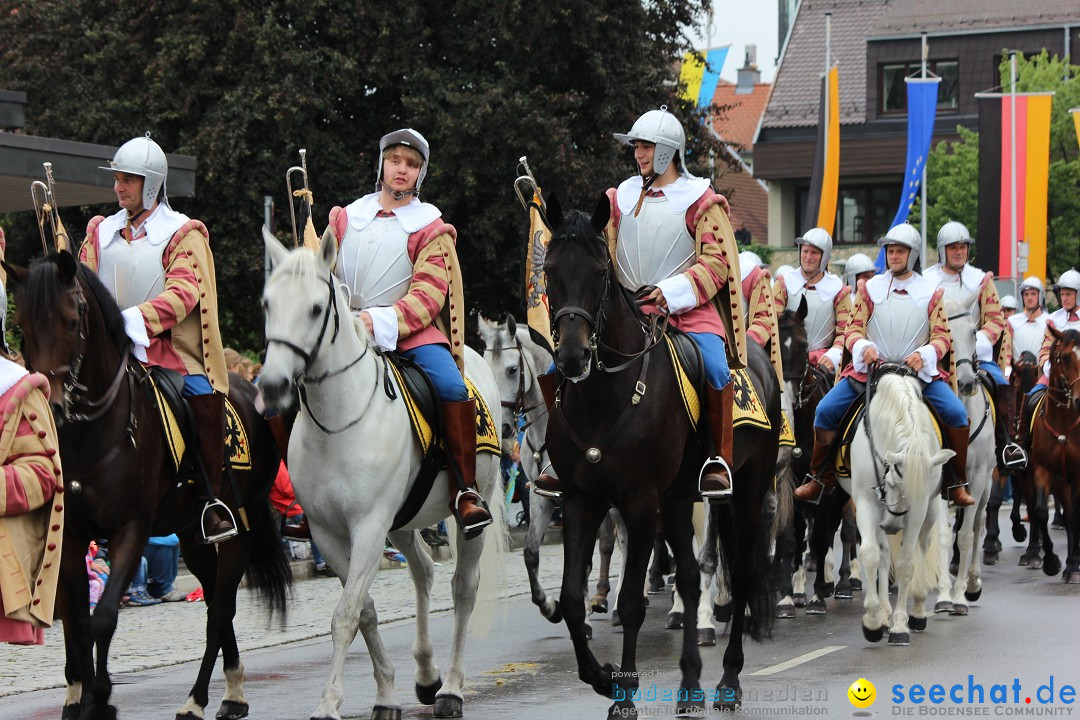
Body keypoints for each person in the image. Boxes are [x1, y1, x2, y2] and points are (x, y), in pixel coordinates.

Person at [536, 107, 745, 500]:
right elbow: (597, 248)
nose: (638, 154)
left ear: (667, 150)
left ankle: (717, 460)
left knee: (716, 367)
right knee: (555, 365)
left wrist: (672, 291)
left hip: (688, 311)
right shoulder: (619, 196)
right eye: (636, 147)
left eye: (646, 146)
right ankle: (561, 457)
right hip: (628, 308)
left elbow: (717, 264)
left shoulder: (701, 200)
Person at [325, 128, 492, 538]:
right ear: (381, 164)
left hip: (410, 335)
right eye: (396, 160)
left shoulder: (430, 227)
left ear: (421, 174)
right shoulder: (344, 218)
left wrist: (376, 321)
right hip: (343, 332)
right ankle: (302, 497)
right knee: (286, 382)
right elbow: (322, 274)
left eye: (412, 164)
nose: (402, 170)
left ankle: (465, 490)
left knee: (453, 388)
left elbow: (430, 295)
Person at [80, 134, 236, 543]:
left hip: (164, 349)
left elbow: (185, 294)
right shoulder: (99, 231)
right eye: (116, 179)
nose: (118, 187)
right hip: (108, 349)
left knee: (201, 395)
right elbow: (81, 285)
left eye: (127, 179)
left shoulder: (183, 233)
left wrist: (131, 320)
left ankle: (210, 499)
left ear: (151, 184)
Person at [794, 223, 975, 506]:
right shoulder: (869, 288)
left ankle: (955, 481)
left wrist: (925, 354)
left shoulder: (932, 292)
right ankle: (820, 476)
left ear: (912, 254)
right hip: (871, 374)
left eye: (899, 251)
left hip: (918, 376)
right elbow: (852, 330)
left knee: (956, 415)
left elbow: (942, 336)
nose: (893, 256)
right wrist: (863, 346)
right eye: (890, 251)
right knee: (825, 410)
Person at [0, 287, 65, 643]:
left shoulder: (15, 390)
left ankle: (211, 497)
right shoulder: (106, 232)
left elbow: (42, 474)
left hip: (146, 345)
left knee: (193, 395)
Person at [1003, 269, 1080, 469]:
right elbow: (1045, 349)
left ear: (1078, 294)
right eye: (1062, 294)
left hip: (1078, 376)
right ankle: (1023, 446)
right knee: (1030, 397)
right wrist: (1049, 367)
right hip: (1056, 374)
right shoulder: (1053, 319)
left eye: (1069, 294)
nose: (1065, 298)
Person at [773, 228, 851, 377]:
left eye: (814, 253)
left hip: (823, 364)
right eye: (805, 251)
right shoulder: (783, 283)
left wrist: (834, 355)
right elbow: (771, 322)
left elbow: (846, 331)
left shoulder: (839, 290)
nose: (808, 257)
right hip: (786, 361)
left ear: (824, 257)